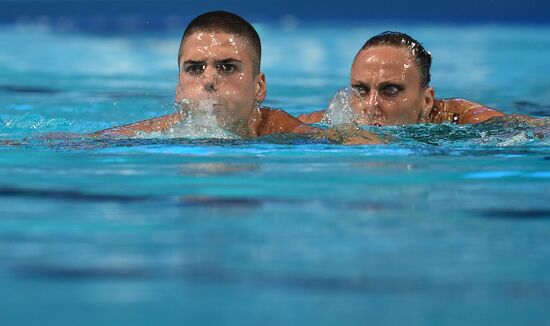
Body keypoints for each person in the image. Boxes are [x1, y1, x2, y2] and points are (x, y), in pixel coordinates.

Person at [91, 11, 381, 145]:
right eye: (194, 68)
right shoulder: (156, 135)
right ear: (179, 90)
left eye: (227, 67)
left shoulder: (283, 132)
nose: (208, 80)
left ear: (259, 87)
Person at [298, 31, 505, 126]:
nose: (370, 106)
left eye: (390, 90)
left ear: (426, 101)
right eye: (361, 90)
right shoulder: (332, 121)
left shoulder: (470, 121)